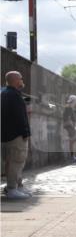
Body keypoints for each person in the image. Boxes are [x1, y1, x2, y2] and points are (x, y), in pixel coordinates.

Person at [1, 71, 31, 199]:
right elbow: (19, 117)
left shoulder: (4, 94)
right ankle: (12, 189)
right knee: (17, 161)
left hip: (6, 134)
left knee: (10, 162)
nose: (22, 80)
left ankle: (13, 187)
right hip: (16, 135)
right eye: (20, 78)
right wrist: (26, 132)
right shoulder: (14, 95)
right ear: (15, 80)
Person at [63, 95, 76, 163]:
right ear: (73, 101)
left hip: (70, 125)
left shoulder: (70, 107)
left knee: (75, 139)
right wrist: (73, 126)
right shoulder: (68, 107)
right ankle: (72, 157)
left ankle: (73, 157)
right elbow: (67, 117)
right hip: (69, 125)